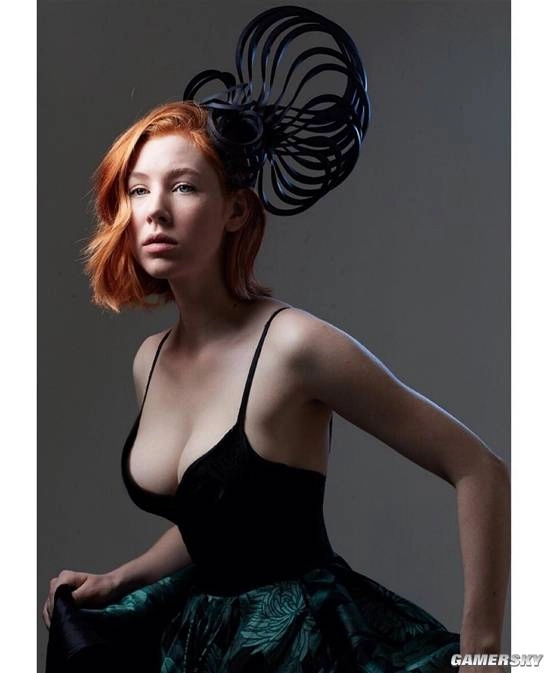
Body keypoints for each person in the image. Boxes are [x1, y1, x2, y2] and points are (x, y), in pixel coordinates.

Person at [42, 6, 510, 673]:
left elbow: (480, 470)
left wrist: (485, 650)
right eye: (138, 190)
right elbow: (217, 522)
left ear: (236, 210)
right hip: (199, 640)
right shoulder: (149, 360)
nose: (155, 211)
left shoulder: (294, 347)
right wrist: (121, 578)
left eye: (183, 186)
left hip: (305, 646)